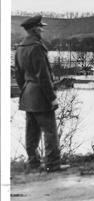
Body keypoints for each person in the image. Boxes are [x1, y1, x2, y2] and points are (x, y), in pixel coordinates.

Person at [14, 15, 69, 173]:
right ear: (33, 29)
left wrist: (26, 90)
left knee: (31, 131)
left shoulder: (20, 48)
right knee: (50, 131)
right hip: (40, 95)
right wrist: (51, 98)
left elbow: (18, 75)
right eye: (40, 27)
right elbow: (43, 76)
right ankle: (53, 164)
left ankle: (33, 163)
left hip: (27, 94)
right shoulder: (37, 47)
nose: (42, 30)